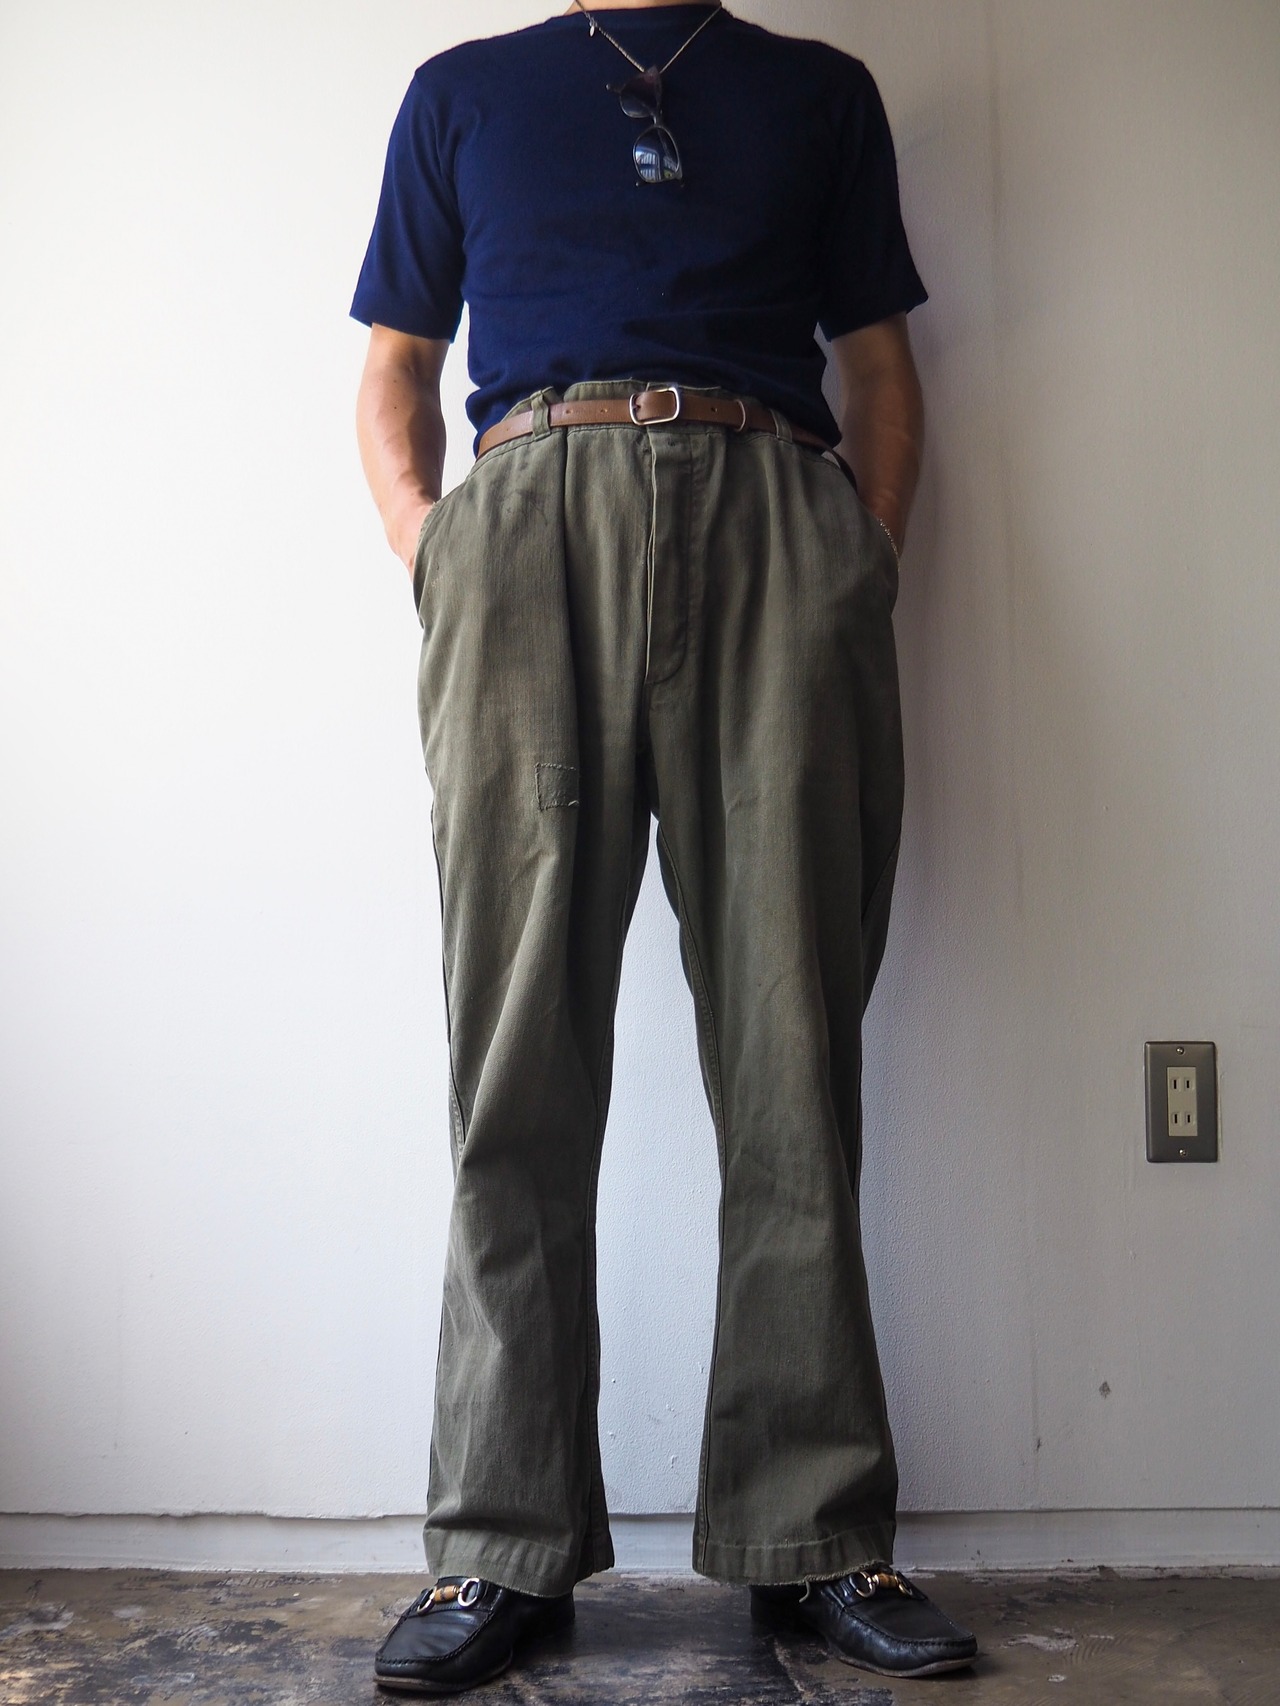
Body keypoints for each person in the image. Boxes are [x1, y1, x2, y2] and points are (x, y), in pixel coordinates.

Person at [352, 0, 978, 1692]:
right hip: (524, 529)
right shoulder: (463, 96)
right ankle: (501, 1542)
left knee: (791, 1054)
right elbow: (397, 364)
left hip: (777, 527)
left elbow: (880, 361)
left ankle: (814, 1533)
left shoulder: (817, 94)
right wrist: (439, 552)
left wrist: (863, 555)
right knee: (518, 1059)